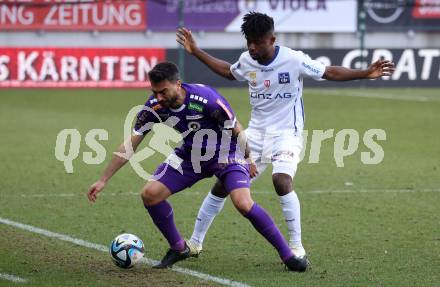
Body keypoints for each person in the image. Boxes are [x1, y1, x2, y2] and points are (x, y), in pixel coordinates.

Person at [176, 12, 395, 264]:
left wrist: (365, 73)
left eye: (257, 41)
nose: (252, 46)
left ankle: (296, 247)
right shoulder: (247, 60)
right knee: (223, 183)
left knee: (281, 180)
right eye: (249, 41)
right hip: (255, 135)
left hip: (286, 135)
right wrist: (196, 51)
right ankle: (195, 242)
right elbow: (229, 71)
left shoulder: (293, 59)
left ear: (272, 39)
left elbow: (329, 72)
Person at [87, 61, 308, 271]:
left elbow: (236, 128)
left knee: (242, 203)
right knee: (150, 194)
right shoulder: (154, 106)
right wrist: (103, 179)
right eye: (154, 91)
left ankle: (288, 256)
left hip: (226, 154)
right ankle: (179, 248)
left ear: (178, 84)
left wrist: (248, 158)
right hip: (189, 155)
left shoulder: (206, 99)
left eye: (163, 91)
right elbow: (131, 143)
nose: (158, 97)